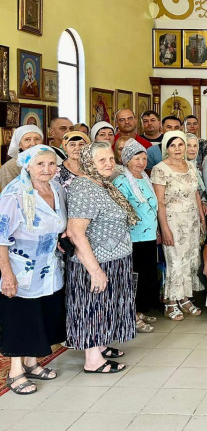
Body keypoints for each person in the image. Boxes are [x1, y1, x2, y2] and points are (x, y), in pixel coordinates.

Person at [66, 142, 139, 374]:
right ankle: (92, 360)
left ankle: (101, 345)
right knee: (93, 307)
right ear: (89, 162)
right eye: (102, 160)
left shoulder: (103, 184)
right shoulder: (83, 187)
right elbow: (76, 232)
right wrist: (95, 270)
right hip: (95, 261)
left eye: (110, 159)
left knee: (108, 306)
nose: (108, 164)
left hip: (115, 258)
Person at [0, 146, 67, 394]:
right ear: (27, 165)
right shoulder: (14, 194)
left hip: (48, 266)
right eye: (40, 164)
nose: (47, 169)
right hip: (20, 267)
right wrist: (7, 274)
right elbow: (1, 238)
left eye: (51, 164)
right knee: (21, 317)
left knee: (41, 314)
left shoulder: (56, 188)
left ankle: (31, 362)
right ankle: (15, 370)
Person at [151, 131, 206, 320]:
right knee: (175, 260)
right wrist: (164, 228)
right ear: (166, 147)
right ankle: (170, 302)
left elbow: (195, 193)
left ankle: (185, 298)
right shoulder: (160, 169)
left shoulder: (190, 166)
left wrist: (201, 217)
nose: (177, 149)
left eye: (180, 145)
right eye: (172, 145)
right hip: (173, 221)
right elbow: (159, 202)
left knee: (190, 258)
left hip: (191, 220)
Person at [112, 140, 160, 333]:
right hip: (132, 238)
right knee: (133, 278)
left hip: (147, 237)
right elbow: (120, 212)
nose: (141, 162)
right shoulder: (121, 181)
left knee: (146, 276)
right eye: (136, 158)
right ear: (126, 160)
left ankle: (139, 310)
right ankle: (131, 315)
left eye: (143, 158)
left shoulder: (144, 178)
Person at [0, 126, 44, 191]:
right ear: (20, 144)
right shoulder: (10, 167)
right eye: (27, 139)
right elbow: (8, 195)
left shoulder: (50, 160)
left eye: (37, 139)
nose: (33, 143)